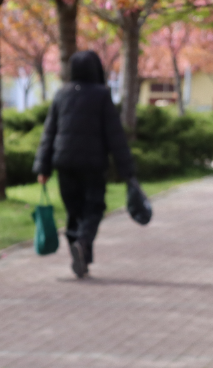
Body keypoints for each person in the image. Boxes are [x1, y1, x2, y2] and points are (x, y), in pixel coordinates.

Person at [34, 50, 135, 278]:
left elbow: (49, 132)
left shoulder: (62, 94)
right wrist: (127, 171)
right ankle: (83, 242)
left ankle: (81, 256)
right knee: (94, 207)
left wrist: (43, 168)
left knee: (73, 211)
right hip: (92, 164)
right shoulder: (101, 95)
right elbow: (115, 136)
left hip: (64, 163)